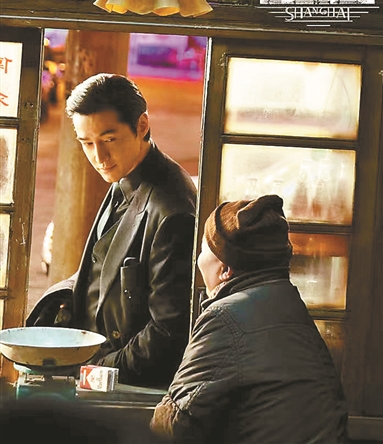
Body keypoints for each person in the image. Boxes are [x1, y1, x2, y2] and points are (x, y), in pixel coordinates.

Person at [27, 73, 197, 388]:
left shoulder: (172, 210)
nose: (99, 157)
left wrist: (90, 371)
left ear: (142, 125)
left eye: (108, 140)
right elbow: (104, 265)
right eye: (87, 143)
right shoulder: (126, 173)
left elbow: (168, 333)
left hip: (130, 384)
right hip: (100, 361)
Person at [150, 195, 348, 443]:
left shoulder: (224, 318)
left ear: (225, 269)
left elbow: (175, 424)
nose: (198, 259)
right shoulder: (290, 307)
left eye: (202, 249)